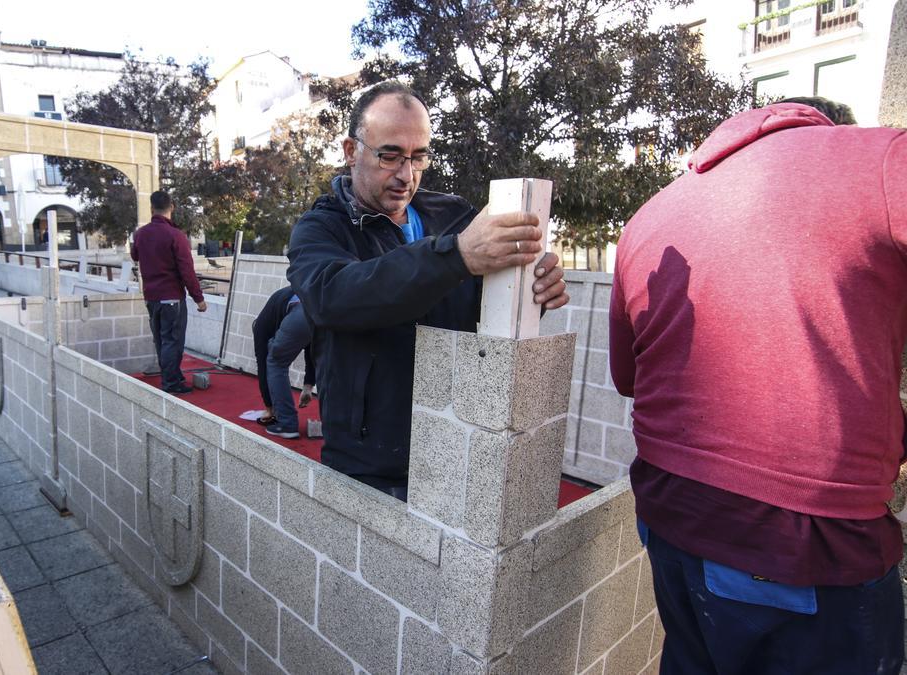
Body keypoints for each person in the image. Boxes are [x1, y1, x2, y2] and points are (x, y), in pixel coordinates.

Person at [609, 99, 906, 673]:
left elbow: (629, 377)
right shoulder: (881, 160)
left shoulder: (649, 215)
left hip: (670, 515)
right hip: (801, 543)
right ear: (832, 125)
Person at [286, 80, 569, 499]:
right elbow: (334, 298)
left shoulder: (454, 216)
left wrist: (533, 289)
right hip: (369, 469)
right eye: (390, 156)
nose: (406, 175)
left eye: (419, 157)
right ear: (350, 151)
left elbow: (483, 305)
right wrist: (455, 257)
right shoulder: (320, 229)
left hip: (460, 445)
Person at [130, 190, 206, 394]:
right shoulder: (176, 236)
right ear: (171, 207)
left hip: (151, 296)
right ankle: (171, 383)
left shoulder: (141, 234)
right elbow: (186, 270)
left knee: (161, 340)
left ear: (151, 208)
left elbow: (134, 256)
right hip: (171, 296)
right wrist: (198, 298)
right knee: (173, 340)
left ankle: (170, 376)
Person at [252, 286, 316, 439]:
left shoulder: (261, 326)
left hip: (302, 311)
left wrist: (269, 408)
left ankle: (287, 424)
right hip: (324, 313)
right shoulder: (286, 296)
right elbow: (312, 349)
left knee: (275, 363)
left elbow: (263, 366)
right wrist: (308, 386)